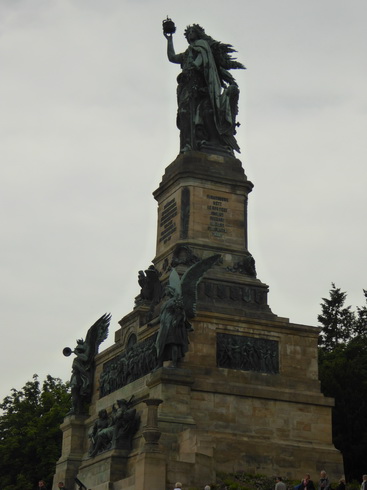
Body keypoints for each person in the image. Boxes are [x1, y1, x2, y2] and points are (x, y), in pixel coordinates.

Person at [163, 21, 245, 156]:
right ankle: (187, 145)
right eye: (188, 34)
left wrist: (194, 67)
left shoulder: (202, 46)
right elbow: (172, 57)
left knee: (200, 112)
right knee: (184, 113)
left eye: (192, 32)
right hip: (186, 84)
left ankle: (200, 142)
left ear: (199, 33)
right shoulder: (187, 53)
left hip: (200, 85)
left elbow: (202, 60)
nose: (189, 35)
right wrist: (169, 40)